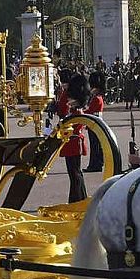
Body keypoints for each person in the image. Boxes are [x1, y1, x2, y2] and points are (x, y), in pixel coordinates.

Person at [59, 74, 90, 202]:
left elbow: (62, 110)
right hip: (74, 143)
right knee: (76, 173)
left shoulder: (75, 112)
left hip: (73, 143)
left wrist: (66, 92)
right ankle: (80, 197)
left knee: (74, 173)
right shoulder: (77, 109)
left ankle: (76, 199)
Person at [84, 72, 107, 173]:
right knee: (96, 144)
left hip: (94, 122)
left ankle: (95, 164)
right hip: (95, 121)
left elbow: (90, 111)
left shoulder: (97, 98)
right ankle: (97, 163)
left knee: (95, 145)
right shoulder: (97, 97)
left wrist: (81, 112)